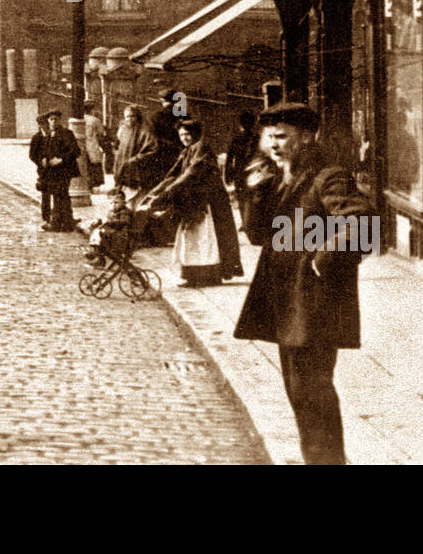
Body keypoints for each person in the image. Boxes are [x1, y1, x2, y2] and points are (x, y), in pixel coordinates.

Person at [233, 102, 375, 465]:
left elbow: (362, 221)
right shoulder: (282, 177)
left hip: (314, 303)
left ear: (307, 137)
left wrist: (321, 261)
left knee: (312, 393)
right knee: (300, 393)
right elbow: (256, 234)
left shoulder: (328, 176)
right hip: (287, 303)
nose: (274, 145)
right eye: (270, 138)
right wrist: (257, 194)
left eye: (282, 137)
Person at [143, 119, 243, 286]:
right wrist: (154, 194)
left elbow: (190, 174)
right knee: (193, 239)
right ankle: (196, 275)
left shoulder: (202, 150)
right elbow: (173, 175)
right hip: (193, 200)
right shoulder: (188, 151)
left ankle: (208, 276)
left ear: (195, 134)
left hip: (208, 203)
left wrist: (166, 194)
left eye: (187, 134)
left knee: (206, 239)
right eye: (181, 135)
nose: (184, 138)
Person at [29, 109, 79, 232]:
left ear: (60, 120)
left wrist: (61, 160)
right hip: (52, 172)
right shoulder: (48, 134)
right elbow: (43, 152)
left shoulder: (67, 133)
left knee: (60, 195)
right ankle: (65, 222)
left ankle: (58, 223)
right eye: (51, 119)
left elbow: (76, 151)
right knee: (60, 196)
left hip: (65, 170)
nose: (53, 121)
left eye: (56, 119)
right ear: (48, 121)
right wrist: (43, 159)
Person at [223, 108, 263, 224]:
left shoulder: (236, 139)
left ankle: (245, 222)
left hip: (239, 172)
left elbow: (229, 159)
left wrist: (227, 174)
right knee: (252, 197)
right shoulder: (257, 138)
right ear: (254, 123)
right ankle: (250, 221)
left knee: (241, 197)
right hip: (254, 171)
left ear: (241, 124)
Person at [83, 192, 133, 268]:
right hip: (113, 234)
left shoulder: (125, 212)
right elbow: (106, 220)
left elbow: (124, 222)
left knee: (100, 233)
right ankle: (97, 255)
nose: (113, 204)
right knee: (96, 231)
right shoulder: (112, 211)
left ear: (124, 202)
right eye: (112, 202)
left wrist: (109, 222)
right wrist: (98, 221)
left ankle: (99, 258)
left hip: (121, 237)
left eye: (116, 202)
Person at [82, 102, 106, 191]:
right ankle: (92, 185)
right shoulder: (95, 120)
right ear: (91, 110)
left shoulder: (80, 118)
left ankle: (86, 185)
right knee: (94, 166)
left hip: (82, 145)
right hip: (92, 144)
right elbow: (101, 133)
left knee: (85, 166)